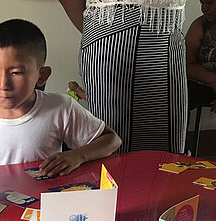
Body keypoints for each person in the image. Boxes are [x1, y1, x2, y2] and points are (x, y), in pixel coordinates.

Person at [0, 19, 121, 177]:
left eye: (16, 73)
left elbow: (112, 140)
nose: (3, 84)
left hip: (48, 204)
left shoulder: (60, 107)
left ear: (42, 76)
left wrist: (77, 156)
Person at [59, 0, 188, 154]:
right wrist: (105, 29)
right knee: (113, 148)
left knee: (168, 156)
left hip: (170, 35)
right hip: (111, 34)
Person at [185, 0, 216, 113]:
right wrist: (213, 79)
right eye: (202, 3)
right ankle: (177, 130)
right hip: (204, 83)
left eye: (209, 3)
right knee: (179, 93)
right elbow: (186, 65)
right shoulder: (200, 25)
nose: (204, 8)